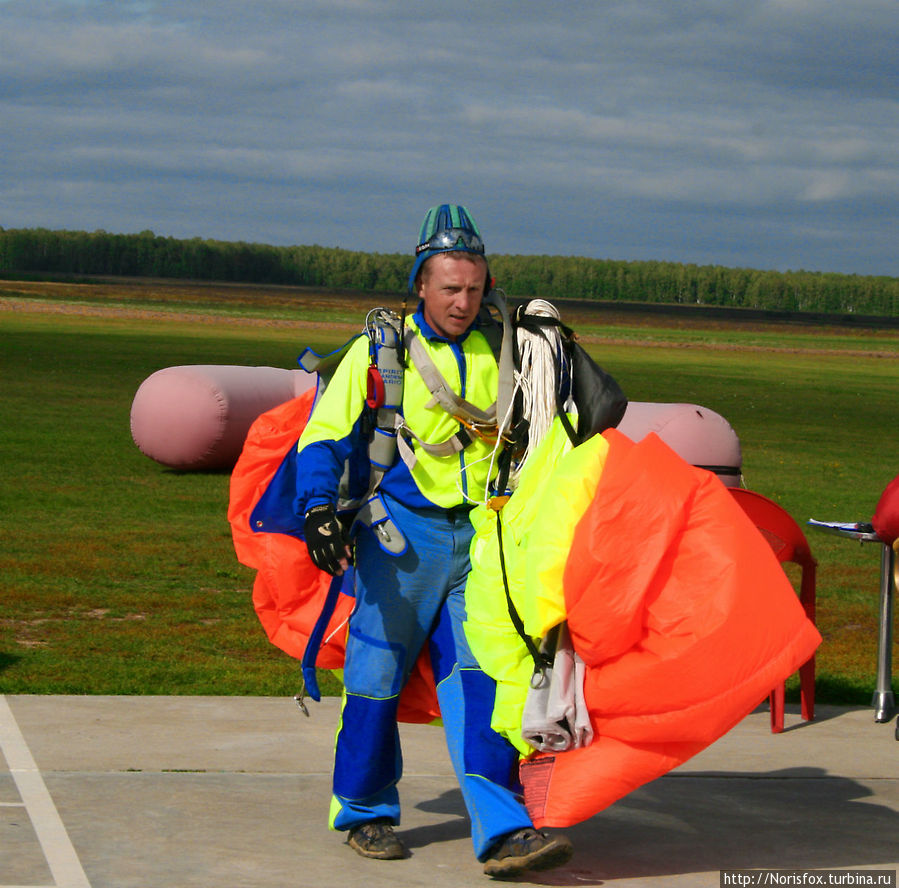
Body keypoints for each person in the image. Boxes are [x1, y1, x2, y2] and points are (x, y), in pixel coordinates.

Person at [292, 204, 573, 877]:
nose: (462, 301)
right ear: (421, 284)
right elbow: (324, 433)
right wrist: (316, 511)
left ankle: (504, 830)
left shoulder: (507, 347)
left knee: (483, 684)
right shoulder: (380, 351)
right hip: (400, 545)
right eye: (449, 288)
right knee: (373, 680)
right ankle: (364, 812)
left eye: (474, 288)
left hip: (480, 545)